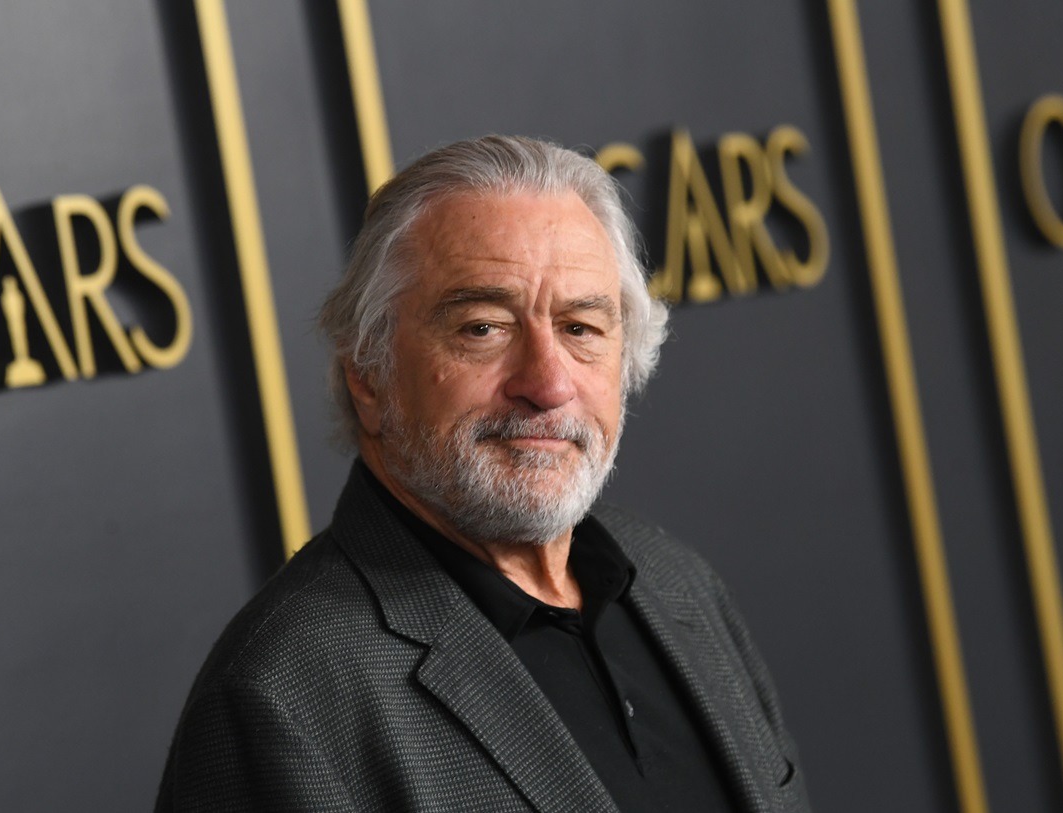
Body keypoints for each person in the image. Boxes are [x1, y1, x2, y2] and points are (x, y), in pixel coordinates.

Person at [156, 135, 810, 812]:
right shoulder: (281, 699)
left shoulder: (678, 581)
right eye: (483, 328)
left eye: (581, 327)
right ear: (369, 379)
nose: (548, 383)